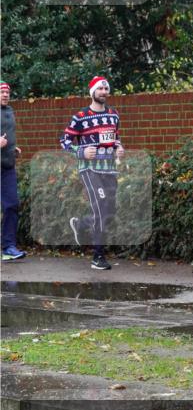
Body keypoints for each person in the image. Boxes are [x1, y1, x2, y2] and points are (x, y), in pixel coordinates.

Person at [62, 76, 122, 270]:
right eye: (100, 89)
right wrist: (81, 151)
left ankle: (80, 225)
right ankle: (98, 257)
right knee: (101, 207)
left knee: (110, 211)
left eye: (106, 88)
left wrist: (119, 148)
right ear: (92, 92)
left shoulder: (113, 115)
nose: (104, 92)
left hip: (109, 170)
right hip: (89, 170)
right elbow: (65, 141)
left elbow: (115, 139)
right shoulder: (80, 117)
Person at [1, 81, 26, 261]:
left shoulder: (9, 111)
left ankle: (8, 247)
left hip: (6, 166)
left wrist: (12, 148)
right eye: (1, 92)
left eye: (7, 92)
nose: (5, 95)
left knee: (12, 205)